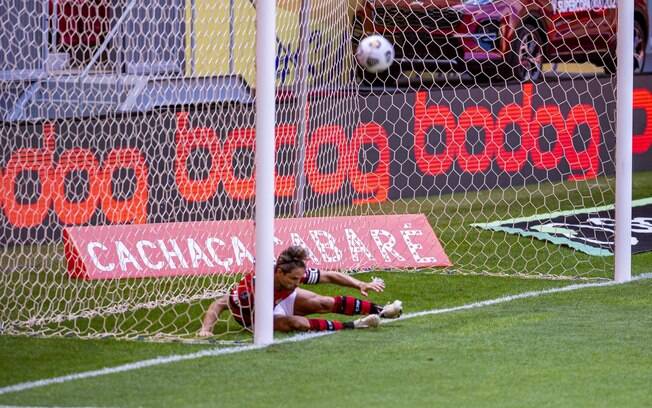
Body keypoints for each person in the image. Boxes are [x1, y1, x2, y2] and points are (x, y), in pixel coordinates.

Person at [199, 245, 403, 336]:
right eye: (294, 279)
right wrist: (205, 329)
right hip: (259, 317)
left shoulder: (294, 274)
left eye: (300, 278)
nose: (299, 282)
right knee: (297, 323)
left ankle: (381, 311)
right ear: (279, 272)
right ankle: (355, 325)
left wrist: (360, 284)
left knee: (323, 302)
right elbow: (219, 304)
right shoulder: (250, 290)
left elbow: (330, 276)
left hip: (279, 300)